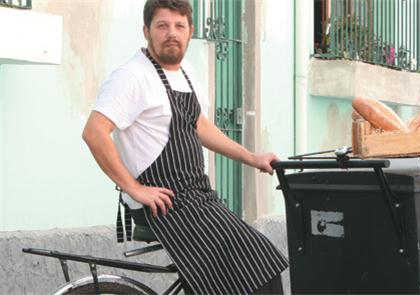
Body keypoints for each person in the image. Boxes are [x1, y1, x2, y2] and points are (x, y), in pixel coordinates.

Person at [82, 0, 288, 293]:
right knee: (253, 262)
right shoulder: (131, 76)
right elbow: (94, 132)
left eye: (179, 26)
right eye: (162, 26)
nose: (172, 33)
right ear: (146, 31)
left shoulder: (186, 72)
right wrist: (134, 189)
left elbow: (199, 125)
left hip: (196, 195)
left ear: (190, 31)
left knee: (255, 261)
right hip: (163, 202)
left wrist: (252, 158)